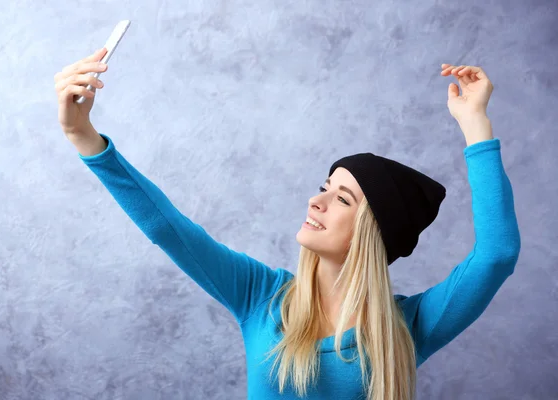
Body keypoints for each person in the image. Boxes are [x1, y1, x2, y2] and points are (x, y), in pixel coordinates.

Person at [53, 48, 521, 400]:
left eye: (342, 198)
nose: (316, 201)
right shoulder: (260, 295)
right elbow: (167, 227)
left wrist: (475, 122)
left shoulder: (409, 327)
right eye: (325, 185)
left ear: (374, 232)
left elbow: (496, 254)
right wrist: (84, 136)